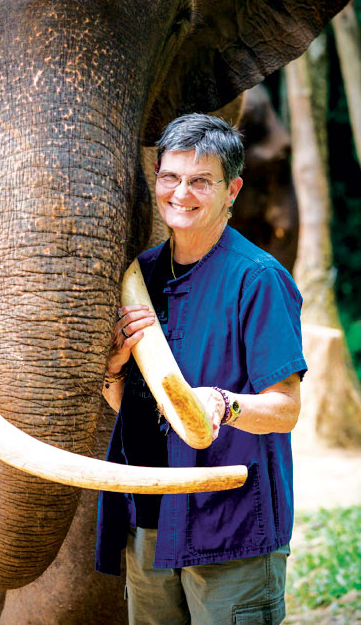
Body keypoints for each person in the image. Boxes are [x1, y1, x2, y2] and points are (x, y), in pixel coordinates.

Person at [96, 113, 306, 625]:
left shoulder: (257, 279)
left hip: (228, 533)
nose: (180, 192)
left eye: (200, 181)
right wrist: (114, 371)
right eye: (170, 177)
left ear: (231, 190)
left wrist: (224, 403)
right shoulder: (141, 275)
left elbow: (285, 409)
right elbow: (137, 410)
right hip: (148, 526)